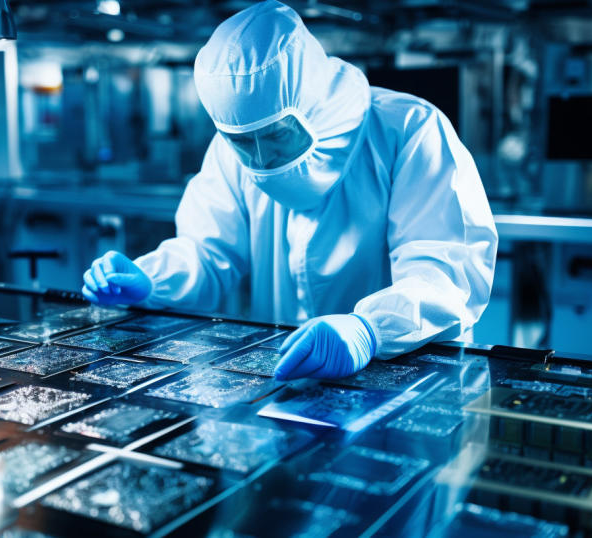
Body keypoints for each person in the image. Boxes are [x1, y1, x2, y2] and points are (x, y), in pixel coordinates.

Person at [83, 0, 497, 381]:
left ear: (313, 106)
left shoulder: (409, 130)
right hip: (290, 372)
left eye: (278, 135)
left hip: (407, 369)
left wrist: (370, 330)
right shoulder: (232, 150)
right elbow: (210, 253)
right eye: (245, 142)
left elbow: (444, 273)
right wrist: (152, 278)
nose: (261, 160)